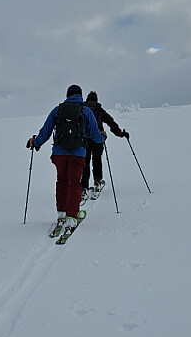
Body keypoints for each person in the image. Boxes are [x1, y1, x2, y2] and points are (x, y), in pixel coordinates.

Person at [26, 85, 106, 234]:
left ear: (67, 95)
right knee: (75, 183)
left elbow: (46, 130)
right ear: (80, 95)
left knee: (61, 181)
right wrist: (103, 136)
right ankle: (72, 216)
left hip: (59, 153)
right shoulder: (86, 111)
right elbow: (95, 134)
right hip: (78, 153)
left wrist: (35, 142)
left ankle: (61, 214)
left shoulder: (57, 110)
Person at [81, 91, 129, 198]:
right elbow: (110, 122)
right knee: (97, 159)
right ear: (96, 100)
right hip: (98, 138)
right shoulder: (99, 110)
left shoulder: (82, 110)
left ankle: (84, 187)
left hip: (84, 140)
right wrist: (120, 133)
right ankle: (98, 182)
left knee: (85, 162)